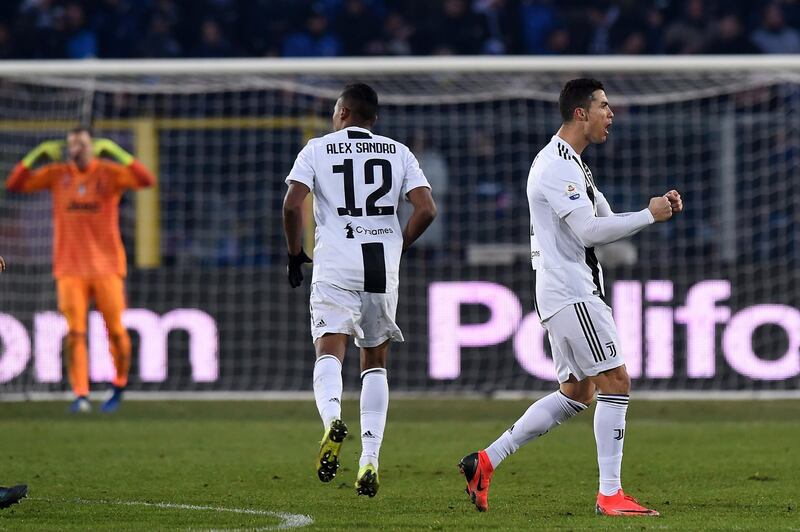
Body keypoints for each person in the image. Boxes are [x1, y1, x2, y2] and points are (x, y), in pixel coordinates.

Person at [459, 78, 682, 516]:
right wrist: (648, 216)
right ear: (581, 113)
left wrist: (653, 210)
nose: (610, 113)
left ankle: (485, 460)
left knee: (577, 392)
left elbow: (604, 219)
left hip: (561, 291)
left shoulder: (573, 164)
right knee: (615, 383)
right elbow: (588, 231)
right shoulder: (557, 166)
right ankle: (610, 494)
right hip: (572, 291)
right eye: (603, 105)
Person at [282, 83, 436, 497]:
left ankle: (332, 418)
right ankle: (370, 459)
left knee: (329, 350)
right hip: (379, 265)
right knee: (375, 362)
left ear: (344, 112)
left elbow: (292, 204)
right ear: (374, 119)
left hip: (335, 261)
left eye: (336, 111)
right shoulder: (398, 151)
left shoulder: (316, 149)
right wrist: (397, 245)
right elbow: (427, 209)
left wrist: (296, 253)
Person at [5, 127, 156, 414]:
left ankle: (119, 384)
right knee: (75, 333)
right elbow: (14, 184)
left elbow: (146, 180)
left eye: (83, 144)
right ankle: (81, 394)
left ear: (93, 147)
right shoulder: (56, 174)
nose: (77, 150)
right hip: (69, 269)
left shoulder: (109, 173)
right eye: (73, 145)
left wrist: (115, 150)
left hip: (108, 267)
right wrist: (36, 154)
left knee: (116, 331)